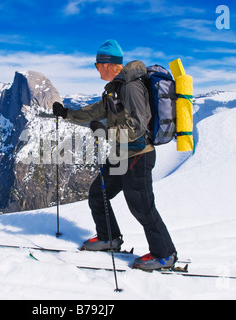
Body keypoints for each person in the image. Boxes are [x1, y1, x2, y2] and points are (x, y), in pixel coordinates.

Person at [52, 39, 177, 271]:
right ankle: (109, 238)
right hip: (121, 154)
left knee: (142, 207)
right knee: (98, 194)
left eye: (97, 64)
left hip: (138, 155)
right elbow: (96, 110)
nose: (96, 68)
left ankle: (165, 254)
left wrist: (105, 131)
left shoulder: (130, 87)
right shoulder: (116, 88)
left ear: (107, 63)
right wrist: (67, 113)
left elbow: (137, 127)